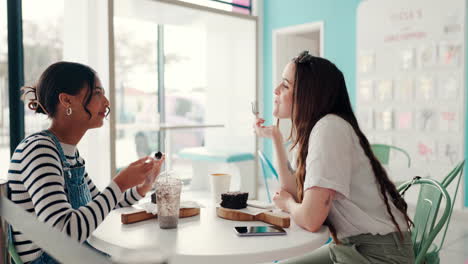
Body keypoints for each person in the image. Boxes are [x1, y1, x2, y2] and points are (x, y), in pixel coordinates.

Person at [254, 51, 414, 263]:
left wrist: (288, 205)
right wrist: (275, 137)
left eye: (285, 85)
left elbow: (310, 218)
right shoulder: (318, 129)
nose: (275, 90)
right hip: (355, 247)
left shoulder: (328, 129)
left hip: (379, 255)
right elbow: (295, 193)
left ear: (307, 94)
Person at [8, 61, 164, 264]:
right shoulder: (39, 150)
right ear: (66, 101)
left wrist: (142, 188)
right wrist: (120, 183)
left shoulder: (69, 154)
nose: (107, 102)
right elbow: (63, 233)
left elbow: (101, 205)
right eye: (98, 93)